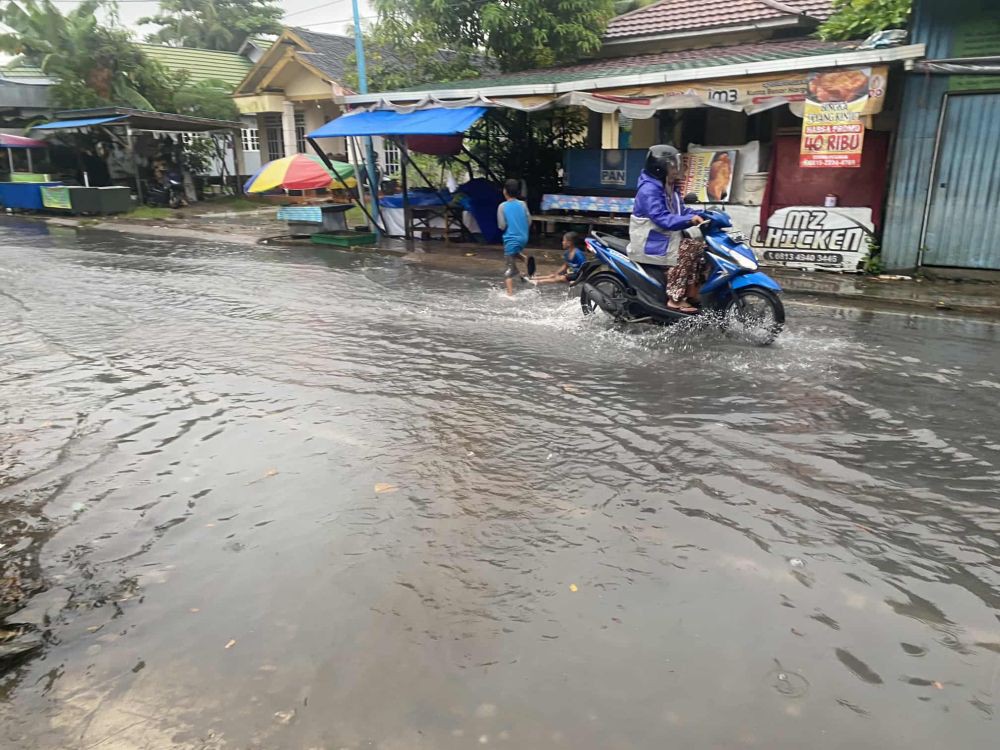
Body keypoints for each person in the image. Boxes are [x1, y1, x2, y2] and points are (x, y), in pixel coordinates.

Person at [627, 145, 705, 313]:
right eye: (671, 165)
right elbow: (662, 218)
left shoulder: (670, 186)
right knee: (689, 248)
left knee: (701, 246)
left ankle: (691, 292)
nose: (676, 168)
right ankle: (674, 299)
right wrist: (690, 220)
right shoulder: (649, 189)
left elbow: (681, 211)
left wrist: (703, 213)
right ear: (660, 167)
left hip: (665, 236)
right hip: (651, 240)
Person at [497, 178, 531, 296]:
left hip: (511, 239)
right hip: (523, 238)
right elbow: (529, 221)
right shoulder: (523, 204)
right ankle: (526, 261)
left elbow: (502, 226)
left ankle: (510, 296)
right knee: (514, 253)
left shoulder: (502, 206)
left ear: (505, 191)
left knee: (508, 270)